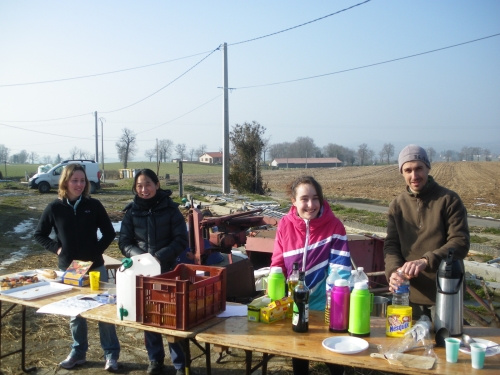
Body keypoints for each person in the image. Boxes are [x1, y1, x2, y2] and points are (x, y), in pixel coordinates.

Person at [34, 163, 120, 371]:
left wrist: (95, 251)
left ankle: (111, 355)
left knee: (103, 312)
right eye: (75, 180)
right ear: (65, 182)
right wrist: (57, 249)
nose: (79, 184)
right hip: (71, 269)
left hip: (95, 267)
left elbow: (109, 233)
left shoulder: (94, 205)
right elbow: (39, 234)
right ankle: (78, 352)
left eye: (82, 180)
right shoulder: (55, 207)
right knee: (76, 313)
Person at [271, 176, 351, 375]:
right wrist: (277, 297)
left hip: (323, 305)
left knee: (332, 355)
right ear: (294, 201)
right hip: (294, 301)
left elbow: (340, 269)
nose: (311, 205)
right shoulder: (284, 225)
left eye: (315, 198)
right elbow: (278, 262)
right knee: (299, 352)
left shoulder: (334, 226)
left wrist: (334, 307)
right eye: (304, 199)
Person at [384, 144, 470, 320]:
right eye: (408, 170)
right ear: (402, 173)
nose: (414, 176)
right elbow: (391, 245)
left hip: (446, 294)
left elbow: (460, 242)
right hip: (408, 297)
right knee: (411, 345)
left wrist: (426, 261)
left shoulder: (449, 200)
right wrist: (393, 271)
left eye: (418, 169)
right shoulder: (397, 205)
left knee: (445, 344)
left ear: (428, 168)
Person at [119, 169, 188, 375]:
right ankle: (155, 360)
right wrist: (142, 258)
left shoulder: (171, 210)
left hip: (167, 270)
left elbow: (181, 240)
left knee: (171, 318)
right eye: (139, 186)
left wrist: (158, 258)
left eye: (148, 184)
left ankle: (179, 364)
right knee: (148, 317)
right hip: (142, 273)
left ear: (157, 185)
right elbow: (124, 242)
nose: (144, 189)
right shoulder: (131, 212)